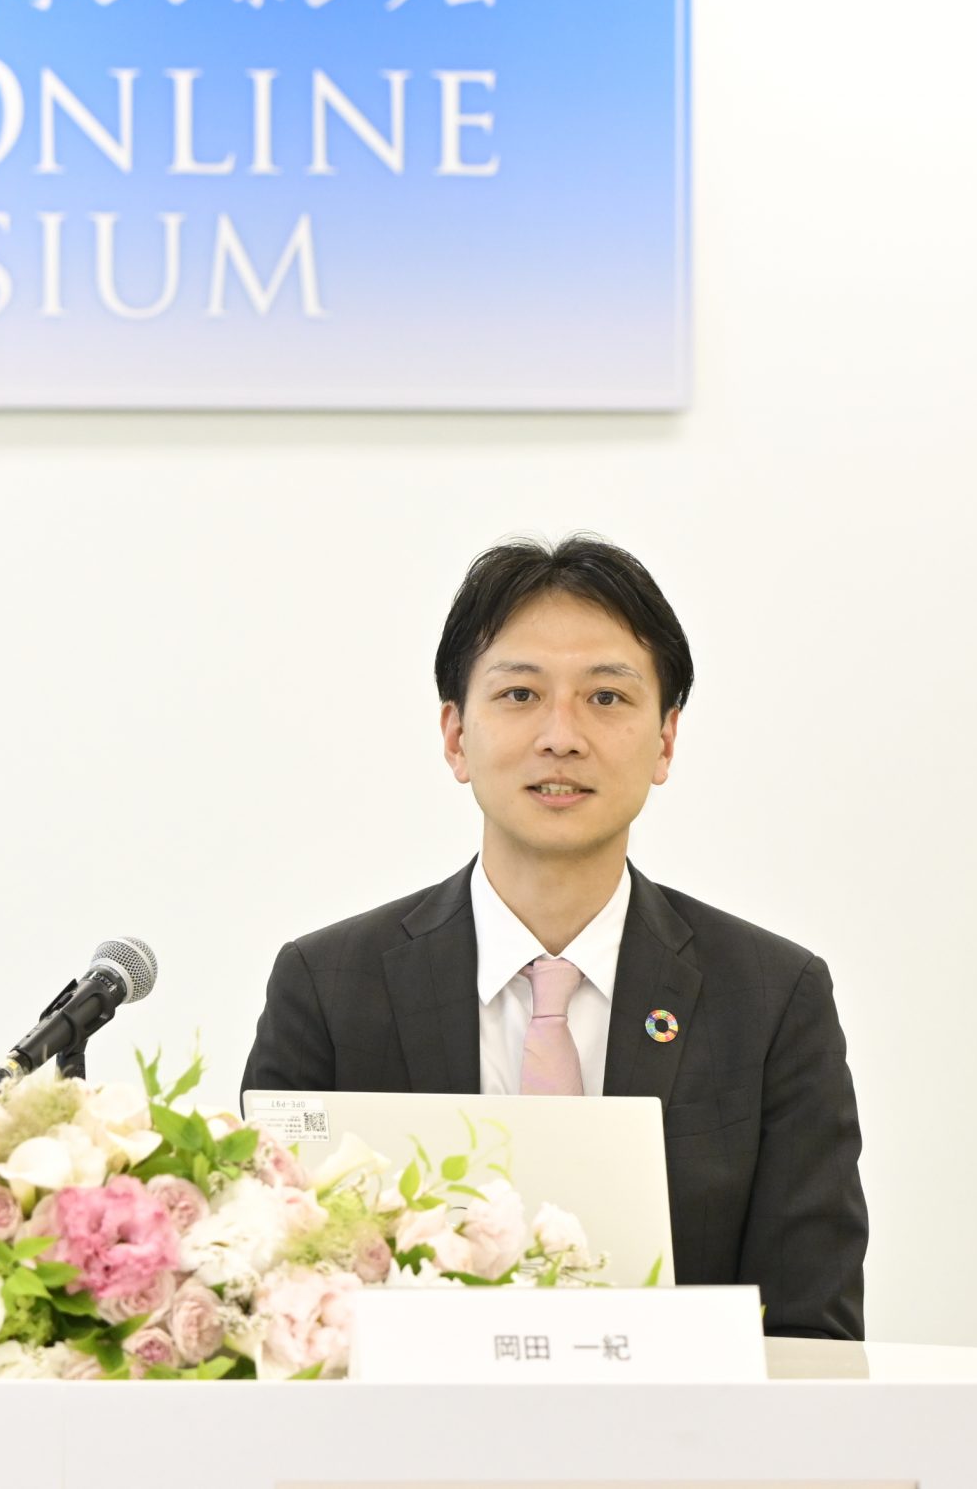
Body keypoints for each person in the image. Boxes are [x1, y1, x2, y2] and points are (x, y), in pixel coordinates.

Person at [241, 536, 866, 1338]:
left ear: (666, 739)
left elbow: (811, 1335)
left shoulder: (773, 999)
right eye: (520, 693)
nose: (562, 735)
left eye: (606, 696)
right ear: (455, 736)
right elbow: (271, 1310)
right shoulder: (328, 988)